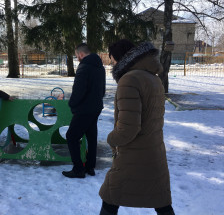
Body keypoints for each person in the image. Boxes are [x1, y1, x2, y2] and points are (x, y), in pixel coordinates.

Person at [99, 39, 175, 215]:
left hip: (133, 154)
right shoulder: (153, 78)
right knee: (160, 200)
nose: (111, 63)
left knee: (111, 195)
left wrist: (112, 139)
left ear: (119, 58)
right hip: (153, 151)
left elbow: (129, 127)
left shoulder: (129, 79)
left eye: (111, 59)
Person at [62, 43, 106, 178]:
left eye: (77, 56)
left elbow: (78, 91)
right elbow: (102, 90)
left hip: (84, 109)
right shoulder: (100, 67)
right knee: (91, 137)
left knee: (71, 136)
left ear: (81, 54)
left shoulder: (84, 67)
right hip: (96, 107)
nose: (77, 59)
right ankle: (90, 167)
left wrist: (72, 104)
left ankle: (78, 169)